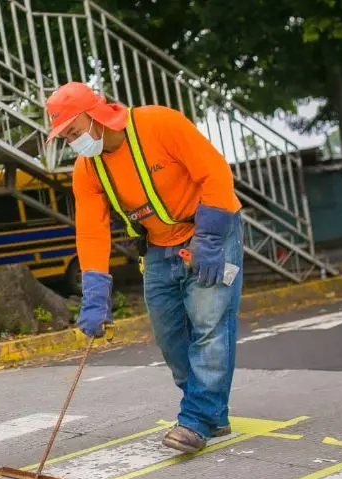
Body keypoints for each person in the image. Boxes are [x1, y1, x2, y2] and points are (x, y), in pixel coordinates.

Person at [46, 82, 244, 454]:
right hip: (157, 246)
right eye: (66, 137)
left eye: (73, 132)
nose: (72, 142)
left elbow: (215, 173)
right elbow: (91, 231)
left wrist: (212, 239)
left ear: (95, 117)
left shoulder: (160, 124)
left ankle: (197, 419)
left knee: (210, 325)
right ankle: (210, 410)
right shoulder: (87, 170)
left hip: (210, 230)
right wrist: (93, 293)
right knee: (170, 337)